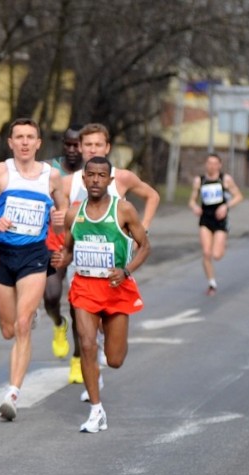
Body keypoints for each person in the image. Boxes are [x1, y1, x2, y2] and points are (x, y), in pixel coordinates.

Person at [50, 156, 150, 432]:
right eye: (90, 175)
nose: (95, 180)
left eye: (101, 175)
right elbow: (69, 248)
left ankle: (109, 337)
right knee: (86, 344)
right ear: (84, 179)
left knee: (115, 359)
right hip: (84, 287)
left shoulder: (124, 210)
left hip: (116, 288)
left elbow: (145, 246)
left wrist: (127, 270)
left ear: (109, 180)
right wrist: (63, 258)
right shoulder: (74, 213)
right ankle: (96, 410)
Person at [59, 122, 160, 386]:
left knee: (108, 333)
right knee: (83, 324)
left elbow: (152, 196)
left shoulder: (122, 178)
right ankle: (87, 366)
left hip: (113, 269)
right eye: (88, 144)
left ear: (108, 147)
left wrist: (143, 231)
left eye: (98, 145)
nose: (93, 149)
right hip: (81, 263)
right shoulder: (69, 182)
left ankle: (106, 346)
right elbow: (59, 215)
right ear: (80, 148)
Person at [0, 118, 68, 421]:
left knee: (21, 324)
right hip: (3, 256)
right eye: (19, 137)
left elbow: (64, 206)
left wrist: (60, 217)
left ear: (39, 143)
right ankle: (27, 318)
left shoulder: (51, 176)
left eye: (30, 137)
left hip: (34, 255)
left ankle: (12, 394)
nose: (25, 142)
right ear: (10, 142)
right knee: (8, 330)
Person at [43, 125, 83, 373]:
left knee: (79, 305)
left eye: (77, 144)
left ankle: (78, 359)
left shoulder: (93, 171)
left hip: (82, 247)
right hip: (54, 243)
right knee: (51, 296)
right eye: (68, 144)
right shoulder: (49, 170)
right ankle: (59, 324)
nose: (72, 149)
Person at [187, 153, 244, 296]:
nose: (211, 166)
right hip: (205, 219)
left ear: (219, 165)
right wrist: (194, 207)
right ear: (206, 165)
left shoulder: (225, 179)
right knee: (206, 253)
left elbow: (239, 196)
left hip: (220, 220)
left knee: (217, 255)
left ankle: (221, 242)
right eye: (209, 163)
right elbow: (192, 200)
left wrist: (226, 206)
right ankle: (211, 283)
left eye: (214, 163)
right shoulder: (199, 181)